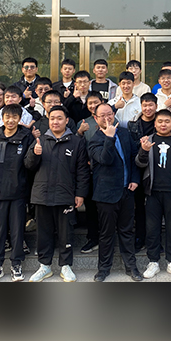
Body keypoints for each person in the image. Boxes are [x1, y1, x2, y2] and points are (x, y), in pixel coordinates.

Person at [25, 106, 90, 282]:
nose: (55, 121)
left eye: (59, 118)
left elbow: (82, 170)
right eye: (52, 118)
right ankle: (44, 266)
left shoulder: (76, 142)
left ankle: (65, 265)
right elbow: (28, 166)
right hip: (42, 194)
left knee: (65, 233)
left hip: (65, 194)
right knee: (43, 233)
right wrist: (34, 154)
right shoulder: (40, 140)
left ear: (66, 120)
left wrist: (80, 193)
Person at [0, 103, 35, 282]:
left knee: (17, 231)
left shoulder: (26, 137)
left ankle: (16, 264)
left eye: (14, 117)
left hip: (18, 191)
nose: (11, 120)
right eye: (7, 117)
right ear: (2, 119)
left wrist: (36, 151)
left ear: (20, 119)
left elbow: (29, 165)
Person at [87, 103, 142, 282]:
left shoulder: (124, 133)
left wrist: (134, 179)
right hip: (106, 194)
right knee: (106, 233)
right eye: (102, 115)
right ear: (95, 118)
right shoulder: (94, 139)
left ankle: (131, 267)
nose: (107, 118)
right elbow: (106, 159)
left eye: (109, 114)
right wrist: (109, 138)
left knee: (127, 231)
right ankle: (103, 269)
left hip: (126, 191)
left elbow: (133, 158)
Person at [136, 109, 171, 280]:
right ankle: (153, 262)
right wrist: (143, 150)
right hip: (152, 192)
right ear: (155, 123)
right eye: (160, 121)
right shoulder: (147, 140)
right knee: (152, 228)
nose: (163, 124)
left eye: (167, 121)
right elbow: (139, 164)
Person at [126, 91, 158, 252]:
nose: (148, 108)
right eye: (145, 105)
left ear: (156, 106)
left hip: (157, 170)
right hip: (139, 169)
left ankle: (155, 241)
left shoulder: (161, 122)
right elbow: (131, 149)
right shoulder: (132, 125)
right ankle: (139, 238)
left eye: (151, 105)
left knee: (155, 209)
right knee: (139, 207)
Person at [76, 92, 105, 254]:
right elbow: (76, 146)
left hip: (107, 171)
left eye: (96, 102)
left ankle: (106, 238)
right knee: (91, 207)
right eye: (90, 103)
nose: (93, 105)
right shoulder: (83, 123)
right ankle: (93, 238)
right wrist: (80, 133)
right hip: (89, 171)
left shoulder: (111, 119)